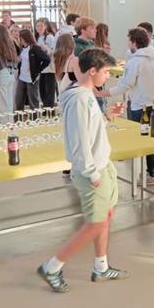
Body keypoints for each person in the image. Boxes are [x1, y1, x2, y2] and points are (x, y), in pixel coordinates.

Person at [37, 48, 128, 292]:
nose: (108, 77)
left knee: (106, 216)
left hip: (102, 165)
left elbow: (91, 131)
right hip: (92, 171)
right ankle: (52, 266)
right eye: (106, 72)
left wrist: (107, 116)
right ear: (92, 71)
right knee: (95, 224)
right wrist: (91, 173)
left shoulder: (87, 96)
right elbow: (79, 142)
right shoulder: (79, 99)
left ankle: (101, 266)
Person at [98, 28, 154, 183]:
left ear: (134, 42)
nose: (128, 44)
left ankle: (139, 176)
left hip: (140, 106)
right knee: (153, 137)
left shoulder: (135, 61)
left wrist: (102, 93)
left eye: (129, 40)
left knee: (138, 139)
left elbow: (125, 85)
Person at [15, 29, 51, 111]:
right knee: (19, 100)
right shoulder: (22, 48)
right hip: (22, 77)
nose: (19, 40)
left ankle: (35, 120)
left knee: (33, 101)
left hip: (31, 78)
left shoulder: (35, 48)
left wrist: (38, 70)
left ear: (25, 38)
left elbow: (47, 59)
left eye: (20, 38)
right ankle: (19, 120)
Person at [36, 18, 58, 108]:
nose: (40, 28)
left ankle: (50, 113)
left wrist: (45, 48)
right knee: (42, 92)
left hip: (49, 69)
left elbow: (54, 52)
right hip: (41, 69)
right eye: (38, 26)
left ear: (45, 27)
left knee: (49, 92)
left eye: (41, 25)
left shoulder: (50, 37)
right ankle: (45, 111)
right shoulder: (37, 38)